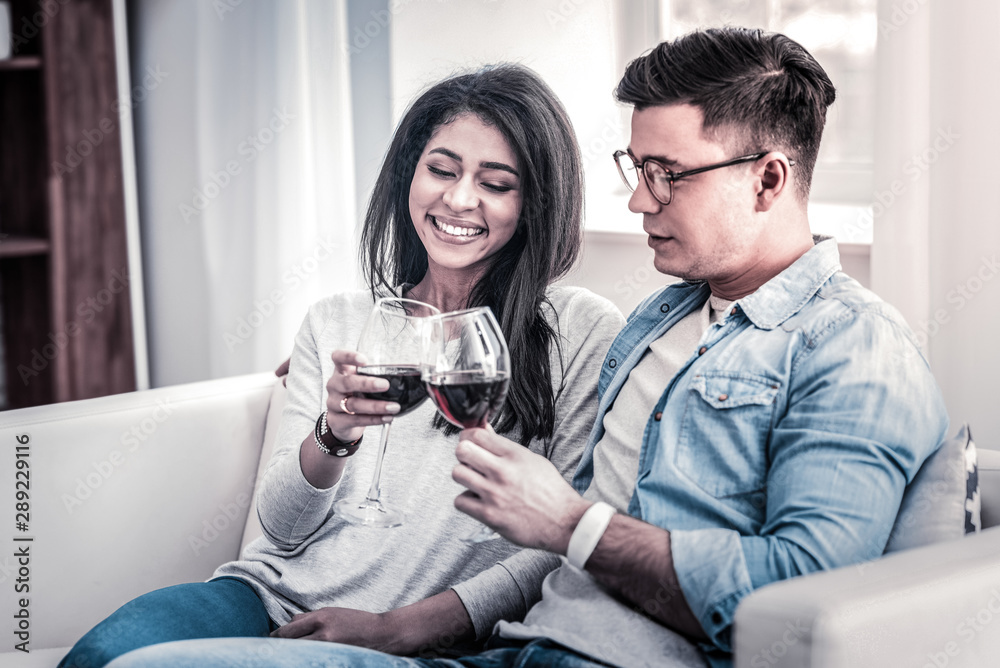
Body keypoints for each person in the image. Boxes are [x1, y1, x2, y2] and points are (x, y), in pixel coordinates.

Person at [103, 27, 950, 668]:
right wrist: (328, 428)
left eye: (668, 174)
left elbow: (802, 606)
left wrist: (572, 528)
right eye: (635, 166)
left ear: (768, 178)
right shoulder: (658, 322)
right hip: (520, 647)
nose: (637, 200)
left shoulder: (853, 348)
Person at [59, 63, 624, 668]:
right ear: (409, 173)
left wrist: (400, 628)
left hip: (419, 642)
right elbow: (281, 531)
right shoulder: (336, 319)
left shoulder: (582, 330)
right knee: (101, 656)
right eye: (440, 170)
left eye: (497, 183)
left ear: (535, 201)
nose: (459, 199)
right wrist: (334, 433)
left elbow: (563, 543)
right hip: (265, 595)